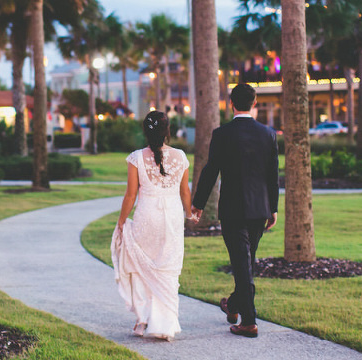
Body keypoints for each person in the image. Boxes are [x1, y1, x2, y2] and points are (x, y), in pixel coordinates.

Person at [190, 83, 279, 338]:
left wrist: (198, 203)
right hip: (259, 208)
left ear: (231, 104)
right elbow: (273, 175)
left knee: (242, 262)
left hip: (232, 208)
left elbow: (210, 171)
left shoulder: (222, 134)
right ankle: (233, 304)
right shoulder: (268, 134)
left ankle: (249, 321)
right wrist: (273, 208)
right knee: (246, 261)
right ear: (255, 103)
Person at [112, 110, 196, 341]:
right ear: (167, 131)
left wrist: (121, 222)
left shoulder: (136, 158)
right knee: (167, 269)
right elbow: (184, 191)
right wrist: (189, 214)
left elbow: (130, 196)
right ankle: (165, 323)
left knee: (142, 267)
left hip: (147, 216)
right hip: (171, 218)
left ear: (145, 131)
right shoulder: (180, 156)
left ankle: (143, 320)